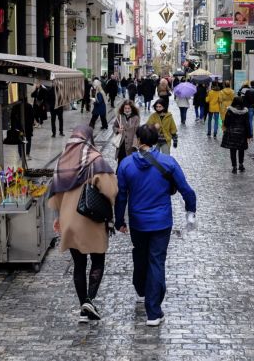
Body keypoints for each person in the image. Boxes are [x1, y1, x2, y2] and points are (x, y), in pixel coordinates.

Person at [114, 124, 196, 326]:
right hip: (161, 221)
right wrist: (190, 212)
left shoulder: (125, 164)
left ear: (139, 140)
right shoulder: (168, 162)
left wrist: (119, 220)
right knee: (156, 261)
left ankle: (141, 289)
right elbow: (186, 189)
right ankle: (153, 312)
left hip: (138, 221)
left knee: (140, 255)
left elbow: (121, 195)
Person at [48, 125, 118, 322]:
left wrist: (59, 217)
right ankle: (89, 300)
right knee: (98, 261)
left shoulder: (62, 161)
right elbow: (110, 190)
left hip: (69, 222)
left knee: (79, 265)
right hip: (91, 220)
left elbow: (55, 195)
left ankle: (83, 309)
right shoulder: (95, 160)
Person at [221, 97, 251, 173]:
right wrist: (249, 135)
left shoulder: (230, 111)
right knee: (241, 150)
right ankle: (241, 164)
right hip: (242, 133)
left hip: (232, 133)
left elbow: (226, 123)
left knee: (233, 150)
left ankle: (234, 167)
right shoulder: (245, 112)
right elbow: (247, 124)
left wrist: (226, 127)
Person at [114, 100, 140, 168]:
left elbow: (137, 131)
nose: (127, 110)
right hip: (122, 144)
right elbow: (114, 127)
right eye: (125, 108)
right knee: (120, 163)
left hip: (131, 145)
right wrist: (118, 130)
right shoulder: (120, 117)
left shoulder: (136, 118)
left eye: (128, 108)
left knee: (130, 163)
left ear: (131, 108)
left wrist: (136, 144)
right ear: (123, 108)